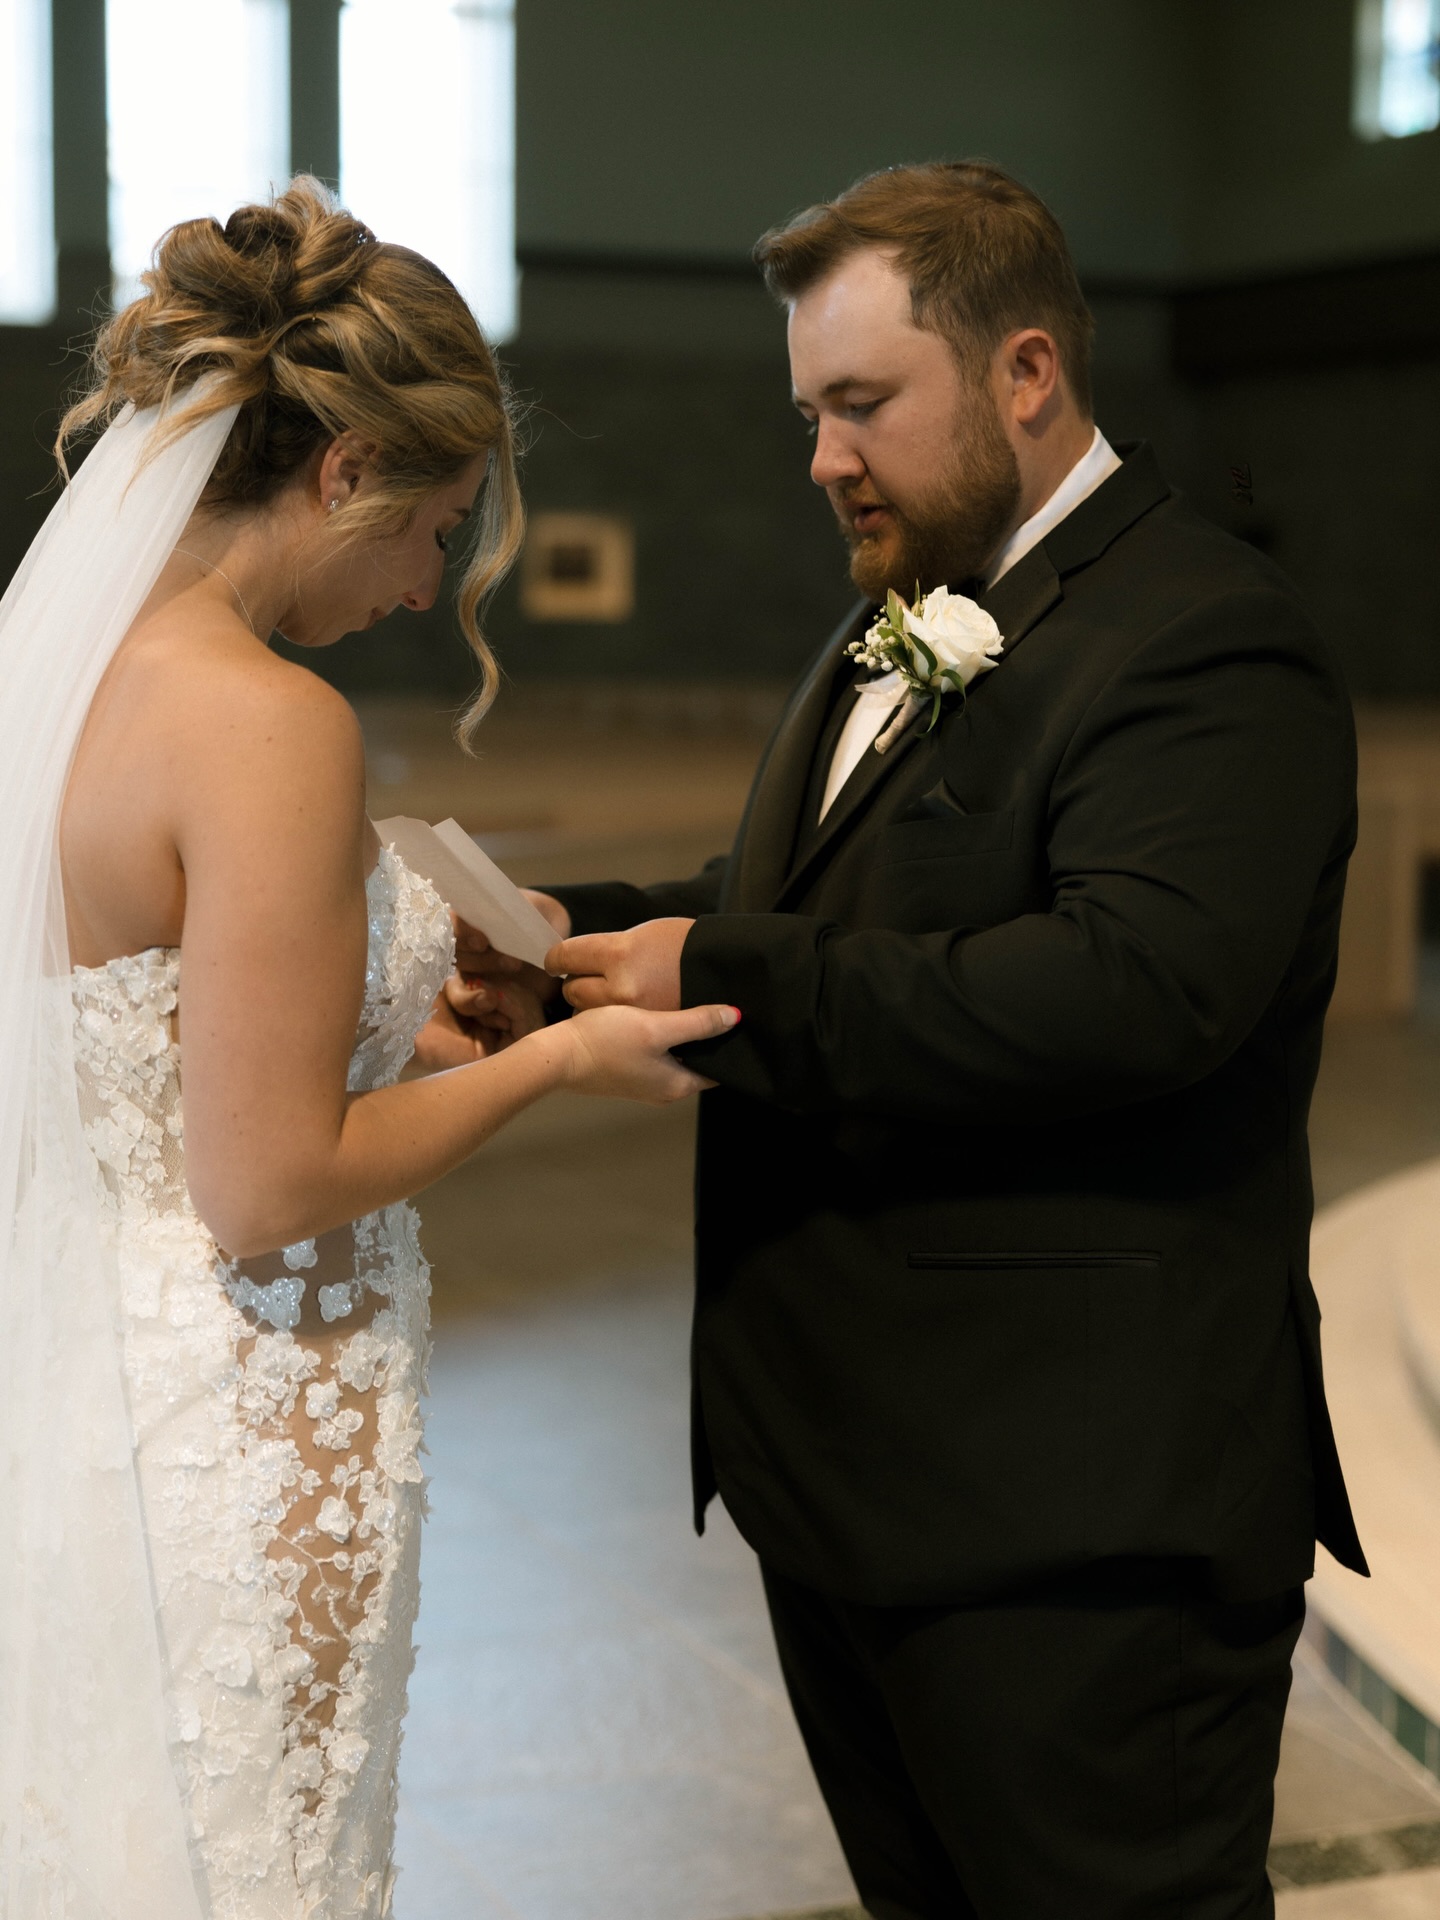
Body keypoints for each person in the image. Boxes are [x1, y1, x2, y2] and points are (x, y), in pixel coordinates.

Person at [446, 161, 1368, 1919]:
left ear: (1027, 372)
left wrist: (732, 973)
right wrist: (564, 940)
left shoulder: (1206, 639)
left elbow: (1131, 989)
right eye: (811, 409)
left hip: (1075, 1524)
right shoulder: (915, 601)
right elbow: (814, 900)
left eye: (861, 403)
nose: (822, 457)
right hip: (868, 1491)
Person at [0, 177, 736, 1919]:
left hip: (90, 1398)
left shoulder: (64, 677)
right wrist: (552, 1066)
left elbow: (153, 1050)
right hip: (247, 1422)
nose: (427, 588)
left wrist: (408, 1029)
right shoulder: (269, 724)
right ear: (339, 471)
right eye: (431, 527)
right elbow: (263, 1187)